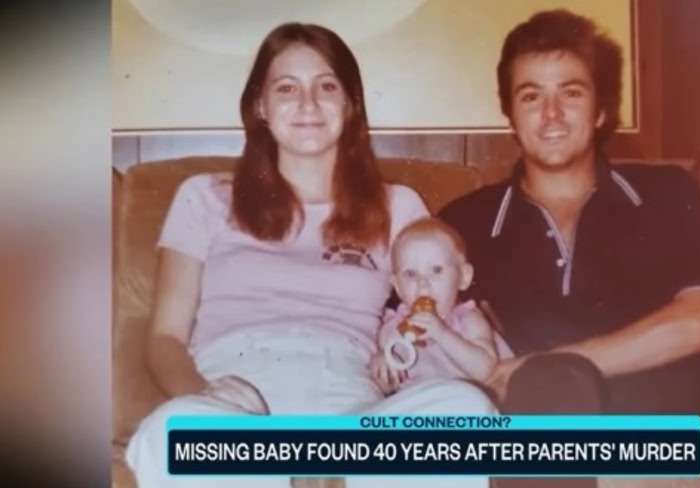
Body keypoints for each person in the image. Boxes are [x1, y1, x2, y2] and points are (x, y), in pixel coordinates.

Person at [124, 22, 496, 488]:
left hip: (351, 409)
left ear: (350, 104)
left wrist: (401, 362)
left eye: (326, 86)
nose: (308, 104)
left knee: (466, 412)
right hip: (234, 405)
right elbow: (165, 338)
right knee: (169, 435)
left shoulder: (398, 207)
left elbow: (437, 312)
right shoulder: (204, 196)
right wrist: (205, 393)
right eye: (286, 87)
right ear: (259, 105)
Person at [438, 4, 700, 442]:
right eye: (531, 97)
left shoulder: (665, 191)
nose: (551, 114)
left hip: (676, 424)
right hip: (548, 435)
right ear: (510, 116)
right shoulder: (463, 221)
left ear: (601, 109)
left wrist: (547, 365)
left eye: (571, 93)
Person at [368, 217, 514, 393]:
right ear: (397, 286)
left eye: (436, 270)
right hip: (422, 404)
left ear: (464, 277)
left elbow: (485, 371)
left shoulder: (468, 320)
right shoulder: (393, 329)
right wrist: (382, 364)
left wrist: (442, 334)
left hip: (466, 399)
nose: (423, 283)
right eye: (411, 274)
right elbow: (386, 386)